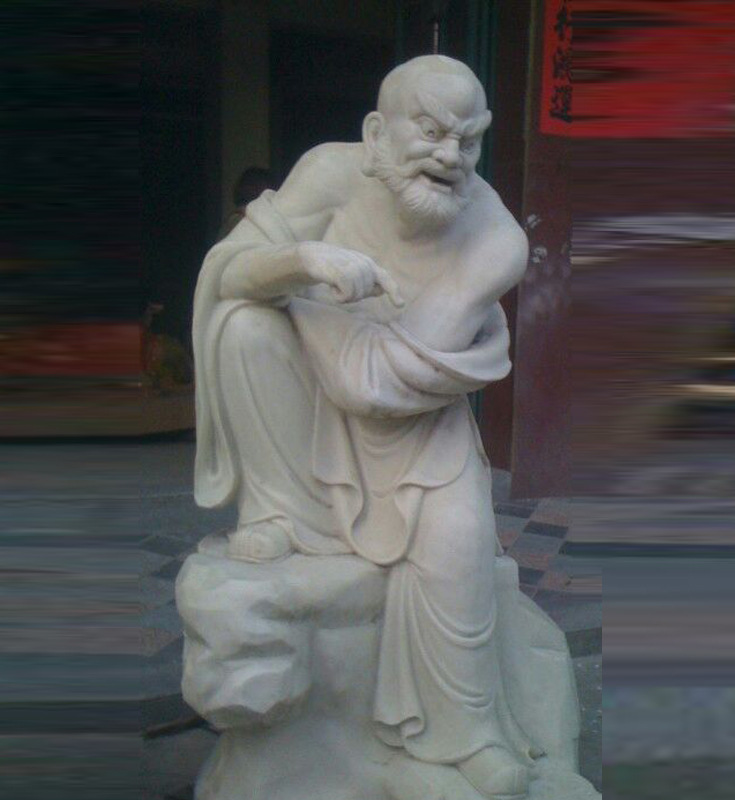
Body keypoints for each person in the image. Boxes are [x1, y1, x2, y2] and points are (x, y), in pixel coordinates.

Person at [193, 56, 532, 799]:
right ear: (377, 133)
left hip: (417, 428)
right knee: (243, 326)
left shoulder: (496, 240)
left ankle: (465, 735)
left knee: (459, 545)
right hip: (308, 402)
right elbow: (229, 274)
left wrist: (314, 310)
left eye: (470, 139)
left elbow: (379, 384)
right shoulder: (329, 173)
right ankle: (283, 514)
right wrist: (302, 260)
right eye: (432, 132)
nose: (451, 157)